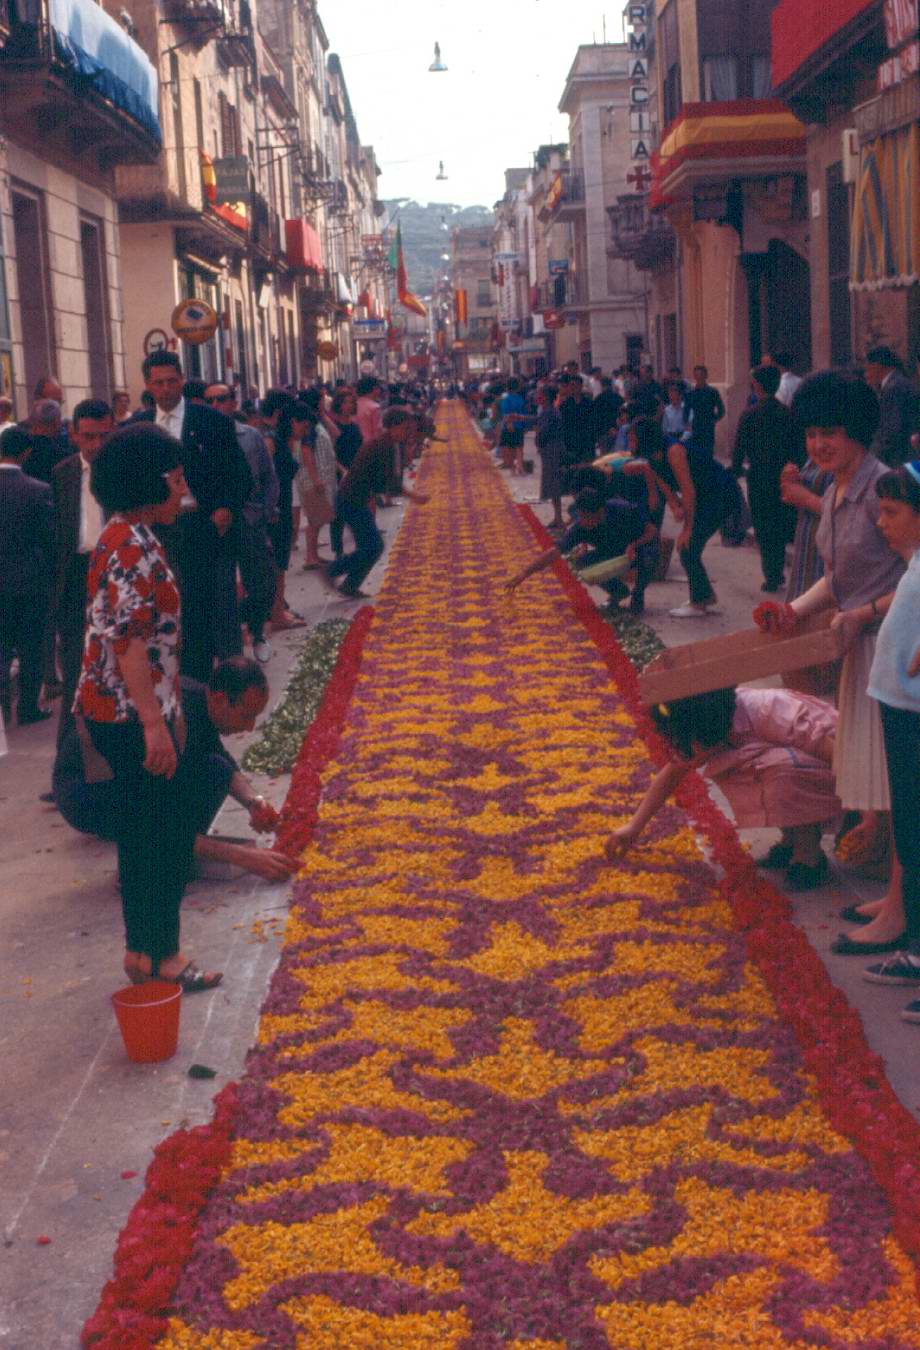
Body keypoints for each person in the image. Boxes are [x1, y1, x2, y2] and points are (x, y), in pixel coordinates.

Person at [75, 422, 220, 991]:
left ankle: (145, 954)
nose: (182, 489)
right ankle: (163, 957)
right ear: (149, 481)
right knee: (160, 838)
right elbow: (128, 641)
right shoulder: (131, 545)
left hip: (124, 708)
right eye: (176, 478)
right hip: (128, 715)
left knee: (144, 837)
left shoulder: (125, 531)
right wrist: (156, 723)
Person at [756, 372, 905, 921]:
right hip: (854, 646)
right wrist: (792, 610)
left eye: (832, 433)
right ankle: (888, 876)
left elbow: (914, 575)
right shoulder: (836, 485)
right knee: (871, 761)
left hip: (889, 646)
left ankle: (897, 897)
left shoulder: (885, 488)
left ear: (858, 433)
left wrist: (863, 614)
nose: (819, 445)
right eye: (812, 433)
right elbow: (838, 576)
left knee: (894, 764)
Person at [56, 657, 298, 884]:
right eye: (246, 716)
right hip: (85, 792)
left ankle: (173, 851)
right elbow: (158, 820)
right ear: (220, 699)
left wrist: (254, 802)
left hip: (129, 784)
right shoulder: (173, 722)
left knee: (215, 769)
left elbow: (220, 759)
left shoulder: (199, 700)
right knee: (158, 826)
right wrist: (243, 856)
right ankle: (146, 861)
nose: (249, 727)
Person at [604, 686, 840, 890]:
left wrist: (868, 813)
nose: (692, 750)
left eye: (698, 743)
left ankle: (809, 855)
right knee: (755, 770)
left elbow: (838, 754)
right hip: (805, 767)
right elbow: (673, 772)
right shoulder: (702, 722)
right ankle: (791, 841)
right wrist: (634, 827)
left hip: (840, 766)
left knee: (778, 771)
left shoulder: (765, 710)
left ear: (714, 729)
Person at [135, 351, 252, 679]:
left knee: (201, 606)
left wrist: (225, 509)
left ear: (182, 380)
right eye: (158, 382)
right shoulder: (138, 428)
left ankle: (198, 680)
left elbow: (239, 474)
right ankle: (168, 675)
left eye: (172, 381)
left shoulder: (211, 421)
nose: (167, 388)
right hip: (157, 529)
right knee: (163, 608)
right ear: (148, 385)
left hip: (202, 523)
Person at [861, 461, 920, 1016]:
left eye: (892, 512)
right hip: (899, 708)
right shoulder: (913, 566)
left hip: (913, 712)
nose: (881, 522)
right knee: (911, 829)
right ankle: (915, 949)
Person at [51, 399, 114, 749]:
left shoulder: (124, 471)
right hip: (76, 577)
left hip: (115, 573)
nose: (95, 446)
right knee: (76, 670)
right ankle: (69, 765)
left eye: (103, 436)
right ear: (74, 435)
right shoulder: (63, 473)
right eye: (88, 437)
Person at [204, 382, 278, 664]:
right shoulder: (199, 438)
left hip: (250, 520)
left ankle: (257, 631)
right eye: (209, 401)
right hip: (219, 525)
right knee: (222, 586)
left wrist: (264, 511)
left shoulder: (250, 437)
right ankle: (231, 650)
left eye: (221, 400)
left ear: (232, 402)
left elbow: (269, 478)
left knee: (261, 584)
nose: (215, 407)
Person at [324, 408, 428, 599]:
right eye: (405, 429)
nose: (408, 433)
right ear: (393, 427)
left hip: (357, 498)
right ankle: (332, 570)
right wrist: (414, 496)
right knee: (373, 546)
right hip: (352, 499)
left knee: (371, 546)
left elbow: (391, 481)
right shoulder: (383, 446)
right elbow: (391, 483)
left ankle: (349, 585)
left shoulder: (390, 444)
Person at [635, 418, 734, 616]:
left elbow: (688, 491)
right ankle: (704, 595)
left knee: (688, 547)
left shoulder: (674, 451)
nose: (629, 441)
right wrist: (673, 504)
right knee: (689, 549)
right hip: (704, 495)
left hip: (718, 494)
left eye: (632, 437)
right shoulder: (651, 455)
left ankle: (699, 603)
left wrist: (687, 529)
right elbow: (662, 480)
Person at [506, 484, 655, 612]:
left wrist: (634, 545)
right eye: (580, 516)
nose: (582, 521)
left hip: (638, 549)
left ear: (600, 511)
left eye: (586, 517)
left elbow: (652, 532)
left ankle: (638, 593)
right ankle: (618, 592)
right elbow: (554, 552)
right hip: (614, 553)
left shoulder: (621, 510)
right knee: (583, 562)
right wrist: (525, 573)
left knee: (649, 556)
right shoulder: (580, 528)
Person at [731, 363, 802, 593]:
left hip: (759, 477)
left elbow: (738, 449)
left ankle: (771, 574)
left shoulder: (749, 415)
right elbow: (798, 450)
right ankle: (777, 570)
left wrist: (735, 470)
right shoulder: (788, 414)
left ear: (757, 386)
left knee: (763, 525)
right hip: (783, 478)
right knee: (780, 524)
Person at [0, 427, 54, 725]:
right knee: (31, 646)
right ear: (26, 453)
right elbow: (48, 540)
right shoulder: (37, 490)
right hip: (28, 582)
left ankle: (2, 709)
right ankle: (28, 708)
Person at [261, 390, 303, 630]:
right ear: (279, 413)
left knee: (280, 561)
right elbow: (265, 475)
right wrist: (271, 506)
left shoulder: (279, 436)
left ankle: (278, 608)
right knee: (277, 562)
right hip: (276, 508)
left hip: (281, 504)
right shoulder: (270, 438)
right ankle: (276, 613)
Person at [865, 346, 918, 467]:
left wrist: (870, 460)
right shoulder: (900, 383)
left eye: (868, 369)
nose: (867, 375)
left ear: (877, 366)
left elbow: (891, 432)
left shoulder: (894, 388)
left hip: (900, 461)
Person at [534, 383, 565, 530]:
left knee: (554, 483)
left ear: (546, 397)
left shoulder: (550, 412)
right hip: (549, 450)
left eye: (540, 394)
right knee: (552, 484)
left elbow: (544, 432)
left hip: (552, 450)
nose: (537, 396)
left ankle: (559, 518)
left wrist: (539, 440)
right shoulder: (546, 410)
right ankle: (557, 517)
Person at [683, 365, 725, 456]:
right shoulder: (691, 393)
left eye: (701, 375)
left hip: (708, 426)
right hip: (696, 426)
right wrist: (686, 424)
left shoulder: (712, 392)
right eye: (696, 375)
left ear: (706, 376)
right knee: (697, 451)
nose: (699, 378)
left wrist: (714, 419)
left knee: (708, 451)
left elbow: (721, 409)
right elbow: (686, 410)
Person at [591, 376, 624, 444]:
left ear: (602, 385)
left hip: (603, 432)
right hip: (617, 431)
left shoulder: (598, 399)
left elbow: (596, 417)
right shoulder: (618, 398)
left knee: (605, 454)